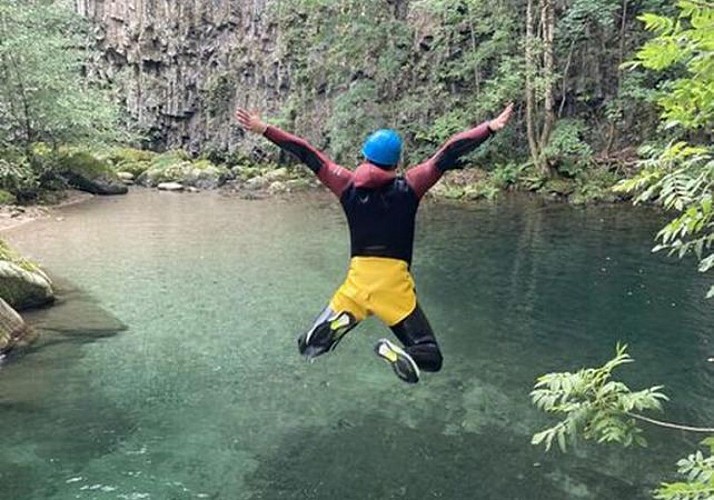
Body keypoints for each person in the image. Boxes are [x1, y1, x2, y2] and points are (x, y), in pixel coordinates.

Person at [235, 103, 513, 383]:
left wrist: (264, 129)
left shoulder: (345, 184)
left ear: (365, 157)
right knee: (430, 355)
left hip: (357, 284)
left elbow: (306, 152)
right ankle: (403, 353)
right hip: (393, 287)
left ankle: (340, 321)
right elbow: (450, 151)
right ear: (395, 163)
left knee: (307, 347)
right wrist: (488, 128)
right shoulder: (410, 186)